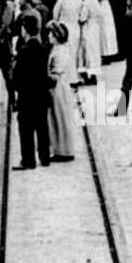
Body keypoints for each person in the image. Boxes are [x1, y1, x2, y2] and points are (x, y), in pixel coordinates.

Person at [11, 14, 51, 170]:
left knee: (26, 128)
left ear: (24, 30)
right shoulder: (43, 50)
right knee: (42, 126)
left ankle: (28, 160)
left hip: (26, 96)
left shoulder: (23, 51)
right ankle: (45, 157)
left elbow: (17, 76)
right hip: (41, 94)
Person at [45, 20, 76, 161]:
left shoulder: (60, 52)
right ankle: (59, 148)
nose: (48, 36)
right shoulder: (58, 49)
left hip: (57, 88)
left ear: (57, 35)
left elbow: (56, 73)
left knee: (59, 116)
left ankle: (63, 150)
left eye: (50, 33)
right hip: (59, 86)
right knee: (57, 117)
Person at [76, 0, 104, 84]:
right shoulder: (95, 1)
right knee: (94, 50)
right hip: (95, 27)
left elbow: (83, 17)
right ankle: (94, 73)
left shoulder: (86, 2)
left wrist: (78, 18)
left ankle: (88, 73)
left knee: (87, 50)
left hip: (87, 27)